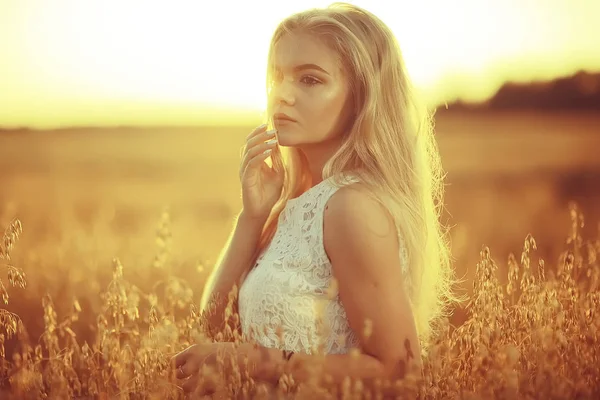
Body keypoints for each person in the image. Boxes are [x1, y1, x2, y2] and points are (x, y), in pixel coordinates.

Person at [172, 2, 460, 397]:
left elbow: (400, 373)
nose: (283, 96)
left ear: (362, 96)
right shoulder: (294, 202)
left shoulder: (351, 207)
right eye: (277, 77)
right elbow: (213, 328)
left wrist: (258, 362)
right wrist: (252, 218)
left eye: (309, 80)